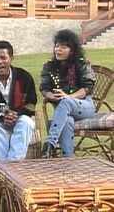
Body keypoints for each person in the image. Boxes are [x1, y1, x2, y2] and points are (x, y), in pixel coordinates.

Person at [40, 29, 96, 158]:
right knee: (67, 121)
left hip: (84, 105)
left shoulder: (81, 64)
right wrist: (51, 96)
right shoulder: (49, 67)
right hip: (63, 111)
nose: (58, 50)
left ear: (72, 50)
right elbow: (44, 88)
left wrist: (68, 97)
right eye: (57, 46)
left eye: (63, 47)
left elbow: (87, 88)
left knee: (66, 102)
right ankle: (68, 161)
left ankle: (50, 142)